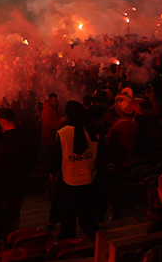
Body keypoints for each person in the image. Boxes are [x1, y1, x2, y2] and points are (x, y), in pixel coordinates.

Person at [0, 107, 32, 234]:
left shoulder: (1, 146)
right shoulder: (26, 139)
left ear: (2, 122)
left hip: (3, 190)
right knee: (14, 220)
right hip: (21, 186)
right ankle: (14, 244)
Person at [53, 101, 98, 240]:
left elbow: (56, 159)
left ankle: (68, 239)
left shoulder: (62, 133)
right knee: (88, 212)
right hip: (89, 179)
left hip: (69, 181)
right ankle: (93, 237)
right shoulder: (94, 131)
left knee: (68, 215)